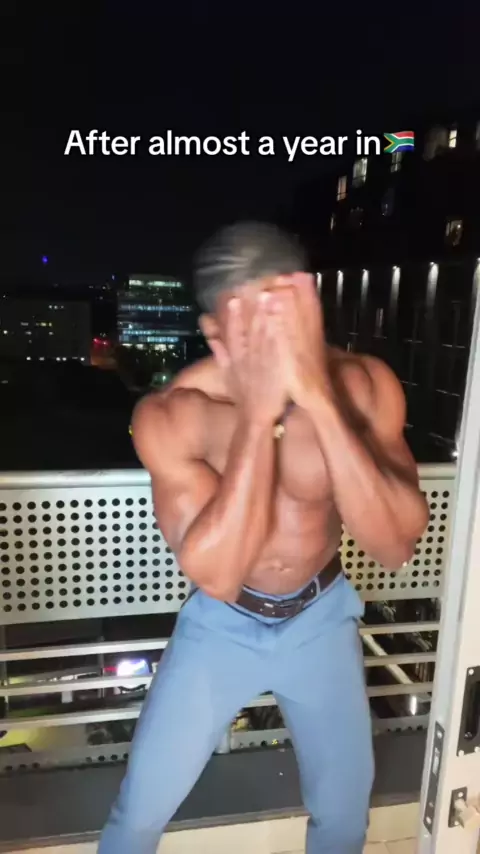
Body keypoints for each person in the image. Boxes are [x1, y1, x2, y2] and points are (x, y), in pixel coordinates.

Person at [99, 223, 429, 854]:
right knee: (139, 811)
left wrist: (319, 402)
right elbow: (218, 575)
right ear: (215, 333)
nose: (272, 344)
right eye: (250, 330)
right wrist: (257, 414)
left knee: (343, 815)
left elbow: (395, 547)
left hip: (321, 617)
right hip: (222, 623)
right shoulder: (177, 412)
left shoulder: (362, 386)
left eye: (283, 321)